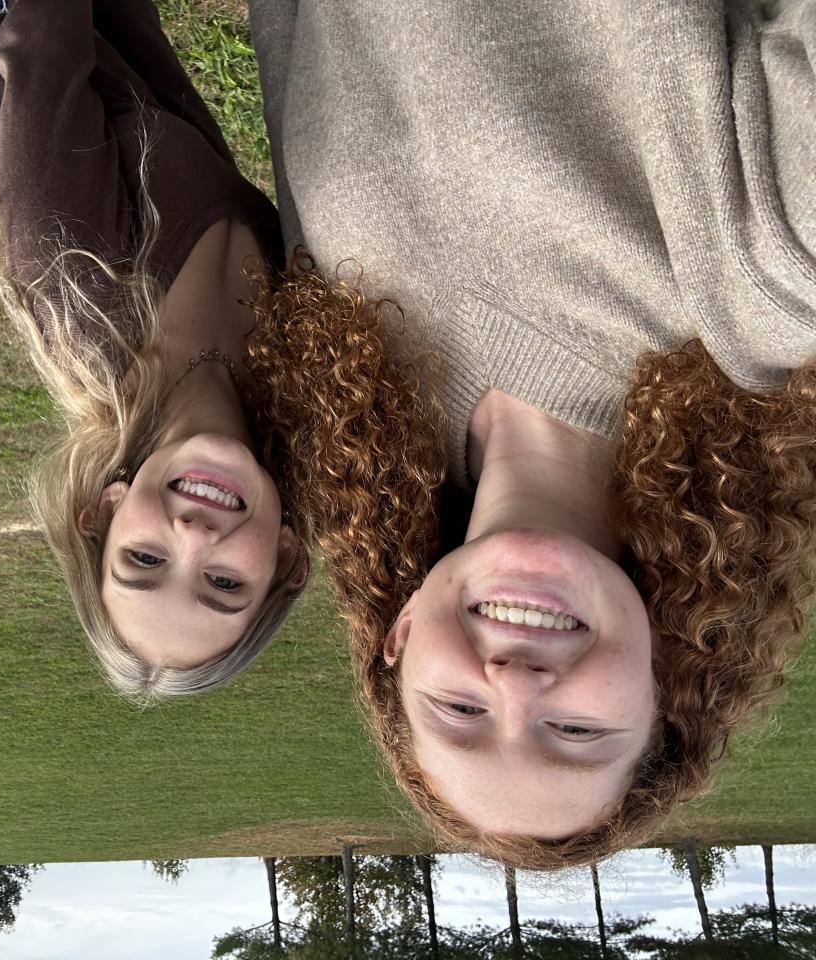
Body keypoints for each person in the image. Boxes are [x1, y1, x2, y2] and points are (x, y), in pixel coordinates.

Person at [245, 0, 816, 866]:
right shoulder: (767, 293)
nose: (515, 686)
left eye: (459, 712)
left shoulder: (351, 365)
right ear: (666, 681)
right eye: (576, 730)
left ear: (399, 638)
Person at [0, 0, 309, 699]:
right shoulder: (295, 374)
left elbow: (41, 45)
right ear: (285, 558)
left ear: (108, 510)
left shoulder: (81, 279)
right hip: (103, 69)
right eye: (223, 583)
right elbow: (174, 121)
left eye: (144, 559)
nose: (192, 535)